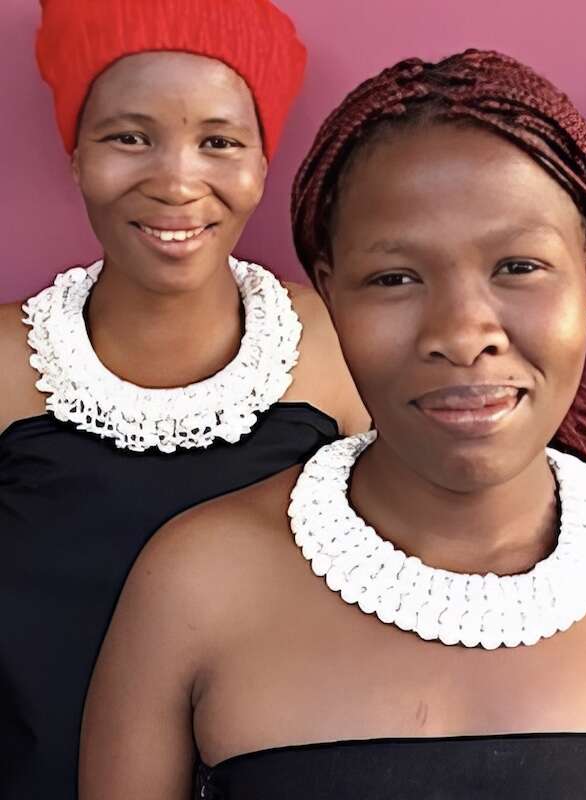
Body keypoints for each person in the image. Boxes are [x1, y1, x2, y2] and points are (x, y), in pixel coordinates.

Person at [79, 50, 586, 800]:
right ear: (330, 296)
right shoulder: (195, 584)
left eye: (517, 267)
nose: (461, 331)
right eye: (394, 279)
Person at [0, 2, 368, 796]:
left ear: (264, 162)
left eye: (219, 142)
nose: (174, 180)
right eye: (128, 136)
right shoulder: (4, 365)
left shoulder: (340, 347)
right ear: (74, 154)